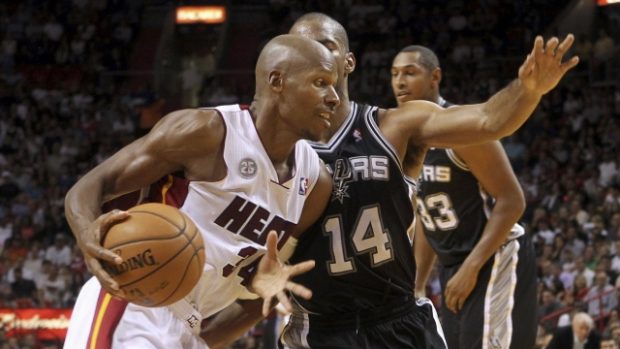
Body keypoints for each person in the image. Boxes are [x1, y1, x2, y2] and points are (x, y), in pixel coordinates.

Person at [201, 12, 579, 349]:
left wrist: (527, 90)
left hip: (399, 320)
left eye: (325, 45)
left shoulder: (394, 126)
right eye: (302, 46)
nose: (313, 53)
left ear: (348, 62)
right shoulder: (272, 148)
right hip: (318, 330)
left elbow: (488, 121)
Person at [62, 34, 339, 349]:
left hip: (191, 327)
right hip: (134, 303)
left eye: (334, 85)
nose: (334, 97)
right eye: (320, 82)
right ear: (277, 81)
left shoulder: (315, 184)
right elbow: (92, 187)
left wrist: (202, 341)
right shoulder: (205, 133)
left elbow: (262, 295)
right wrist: (87, 235)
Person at [391, 45, 538, 349]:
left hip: (494, 255)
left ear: (435, 77)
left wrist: (472, 266)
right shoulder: (405, 141)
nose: (400, 82)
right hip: (452, 265)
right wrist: (417, 285)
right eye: (394, 74)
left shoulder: (461, 128)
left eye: (409, 72)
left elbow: (513, 200)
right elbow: (425, 215)